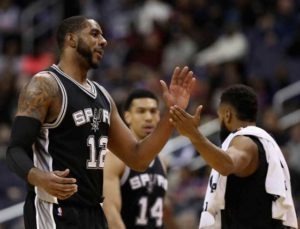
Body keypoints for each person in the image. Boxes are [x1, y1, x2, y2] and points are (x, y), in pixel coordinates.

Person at [5, 15, 195, 229]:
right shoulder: (45, 86)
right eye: (94, 34)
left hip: (94, 213)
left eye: (103, 35)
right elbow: (14, 151)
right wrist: (40, 178)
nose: (104, 41)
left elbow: (137, 157)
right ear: (71, 39)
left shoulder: (103, 96)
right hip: (55, 210)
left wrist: (172, 113)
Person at [169, 84, 298, 229]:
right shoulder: (266, 143)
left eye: (219, 116)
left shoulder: (244, 141)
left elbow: (227, 164)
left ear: (227, 114)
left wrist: (193, 134)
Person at [103, 89, 168, 229]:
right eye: (141, 111)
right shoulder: (114, 158)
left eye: (153, 111)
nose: (148, 117)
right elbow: (111, 215)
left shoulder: (162, 161)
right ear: (127, 117)